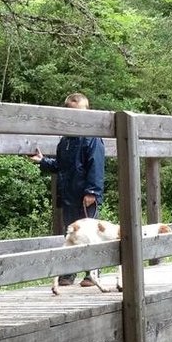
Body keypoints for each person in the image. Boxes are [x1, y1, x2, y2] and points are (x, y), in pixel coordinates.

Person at [27, 92, 106, 287]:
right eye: (71, 113)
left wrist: (92, 191)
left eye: (80, 113)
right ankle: (68, 273)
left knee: (90, 234)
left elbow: (96, 166)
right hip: (69, 194)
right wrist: (43, 161)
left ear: (87, 112)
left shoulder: (92, 138)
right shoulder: (66, 141)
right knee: (71, 234)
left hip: (85, 195)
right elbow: (61, 165)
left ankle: (92, 274)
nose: (76, 118)